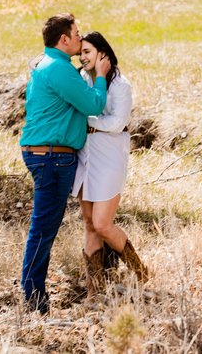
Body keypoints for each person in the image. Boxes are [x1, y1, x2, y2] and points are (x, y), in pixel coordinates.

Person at [19, 13, 111, 314]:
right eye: (77, 33)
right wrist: (99, 76)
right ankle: (33, 299)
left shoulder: (45, 64)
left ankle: (34, 294)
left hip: (46, 154)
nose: (80, 38)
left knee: (45, 227)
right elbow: (94, 105)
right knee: (43, 229)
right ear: (64, 40)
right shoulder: (59, 69)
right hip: (52, 157)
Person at [72, 31, 149, 291]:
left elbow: (118, 123)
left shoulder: (119, 84)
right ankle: (96, 287)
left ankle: (141, 272)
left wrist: (87, 119)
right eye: (80, 52)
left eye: (87, 52)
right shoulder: (83, 79)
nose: (82, 57)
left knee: (102, 224)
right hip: (86, 156)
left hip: (109, 158)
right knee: (89, 223)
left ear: (102, 53)